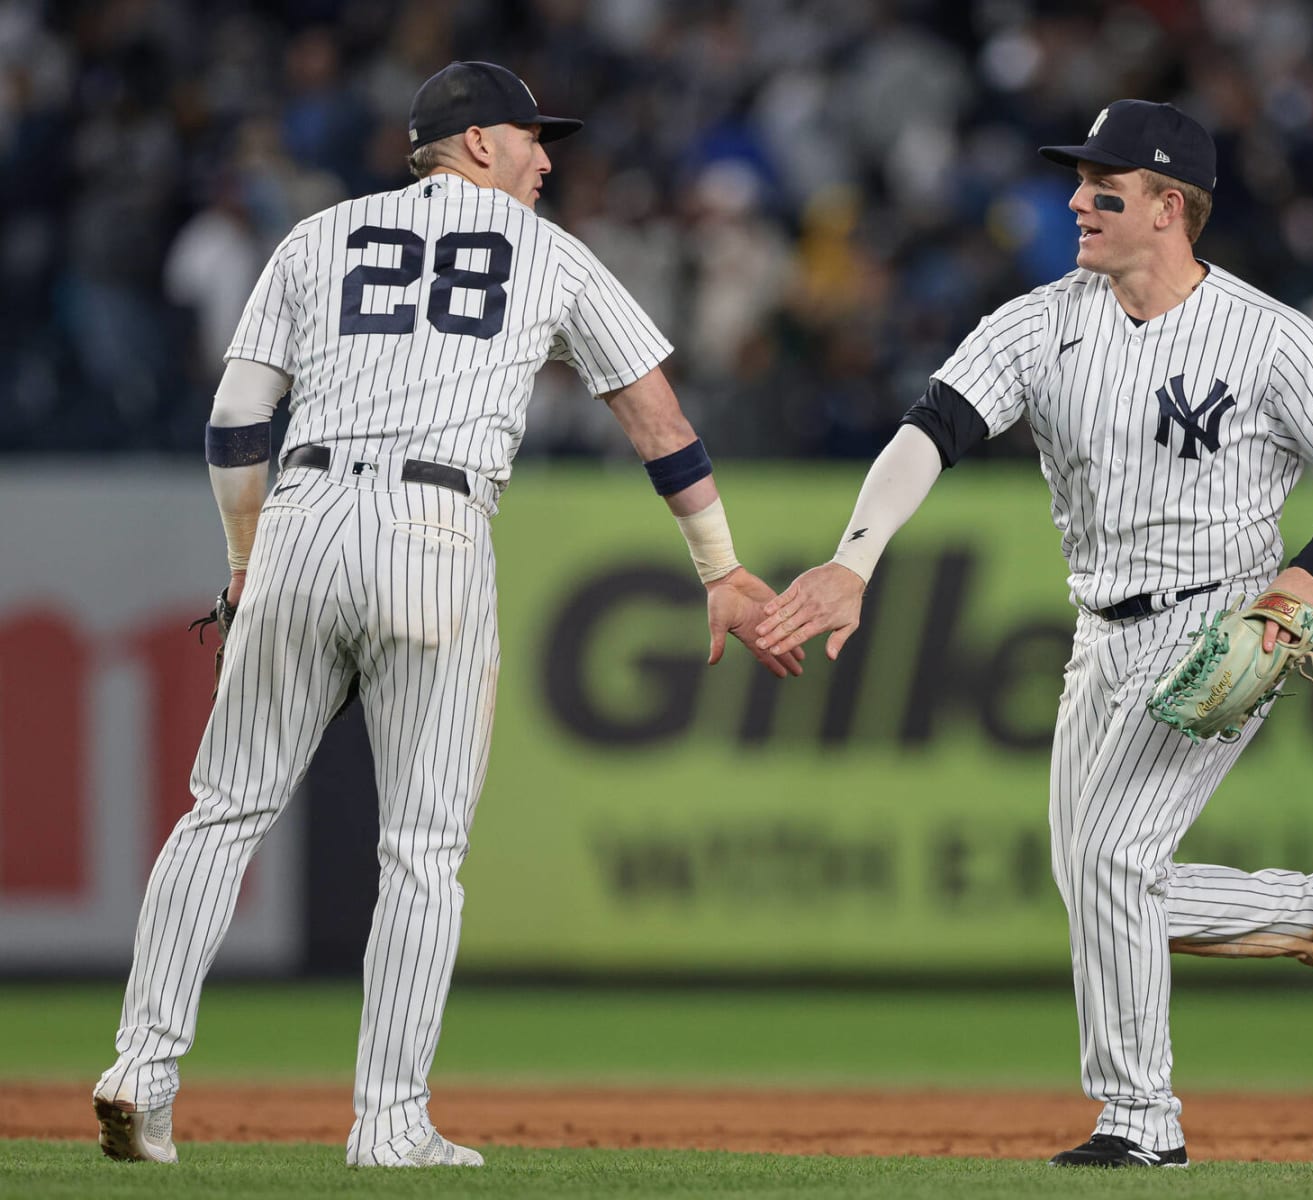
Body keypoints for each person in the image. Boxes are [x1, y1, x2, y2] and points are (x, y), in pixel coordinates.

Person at [92, 60, 802, 1168]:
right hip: (436, 524)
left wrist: (246, 561)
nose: (546, 158)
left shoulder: (314, 237)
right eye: (530, 138)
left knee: (222, 809)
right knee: (420, 849)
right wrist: (717, 564)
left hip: (303, 513)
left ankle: (140, 1067)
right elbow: (658, 420)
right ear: (476, 144)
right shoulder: (552, 253)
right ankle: (389, 1123)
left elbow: (236, 421)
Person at [754, 100, 1313, 1169]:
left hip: (1224, 621)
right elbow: (932, 430)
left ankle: (1139, 1123)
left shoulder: (1268, 335)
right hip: (1097, 632)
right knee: (1100, 883)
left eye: (1104, 187)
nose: (1075, 200)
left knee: (1112, 863)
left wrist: (1303, 587)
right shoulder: (1040, 321)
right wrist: (852, 559)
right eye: (1078, 181)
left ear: (1168, 207)